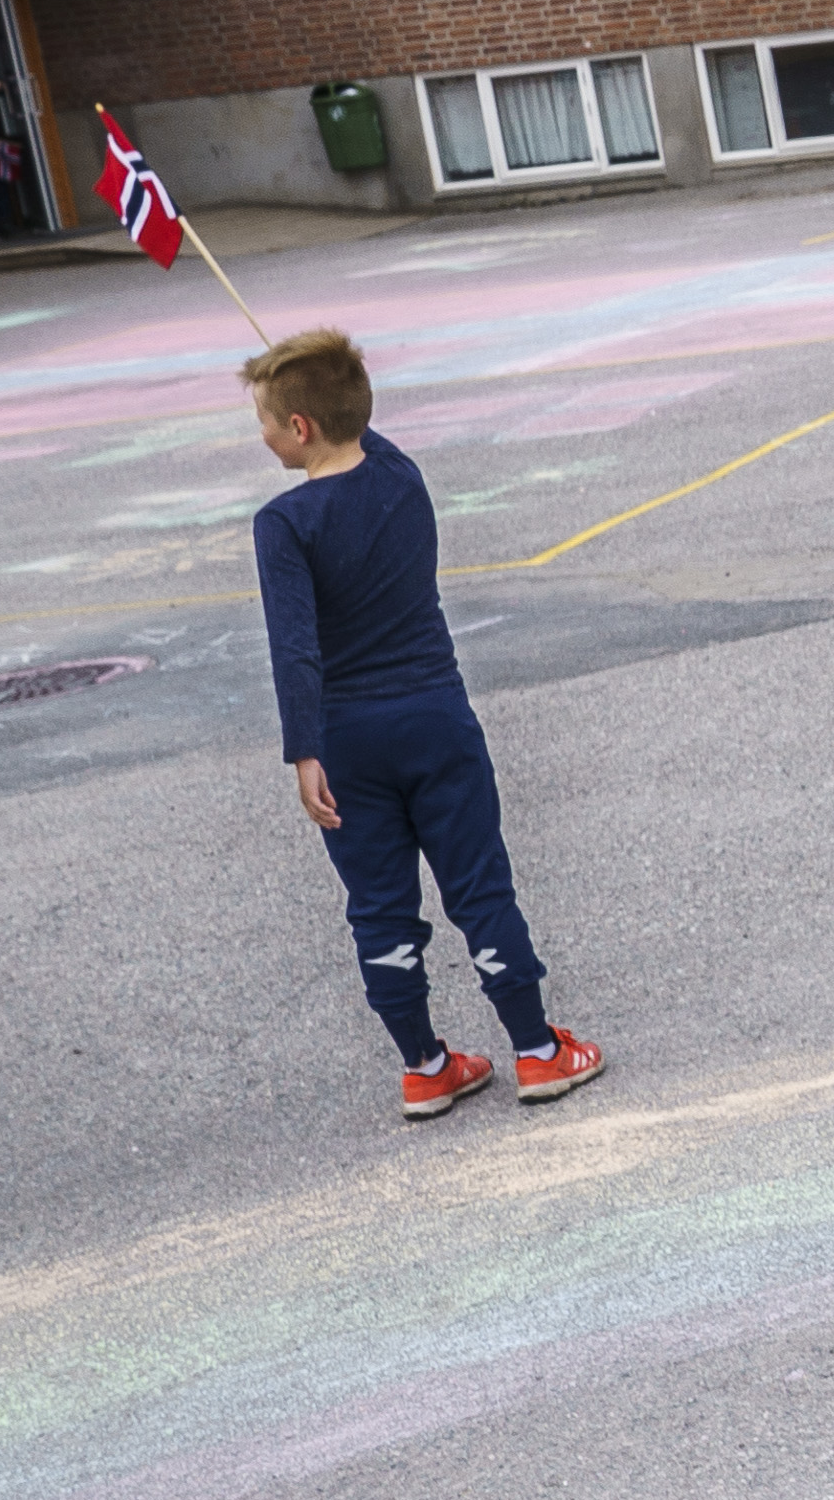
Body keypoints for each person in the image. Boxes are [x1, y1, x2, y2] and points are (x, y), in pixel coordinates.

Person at [233, 327, 609, 1123]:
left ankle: (425, 1063)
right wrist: (327, 388)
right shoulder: (403, 480)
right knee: (478, 884)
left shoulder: (282, 525)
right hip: (435, 716)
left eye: (265, 420)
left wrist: (303, 750)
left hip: (346, 739)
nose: (260, 434)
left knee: (379, 903)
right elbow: (362, 433)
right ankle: (537, 1049)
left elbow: (295, 649)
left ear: (298, 428)